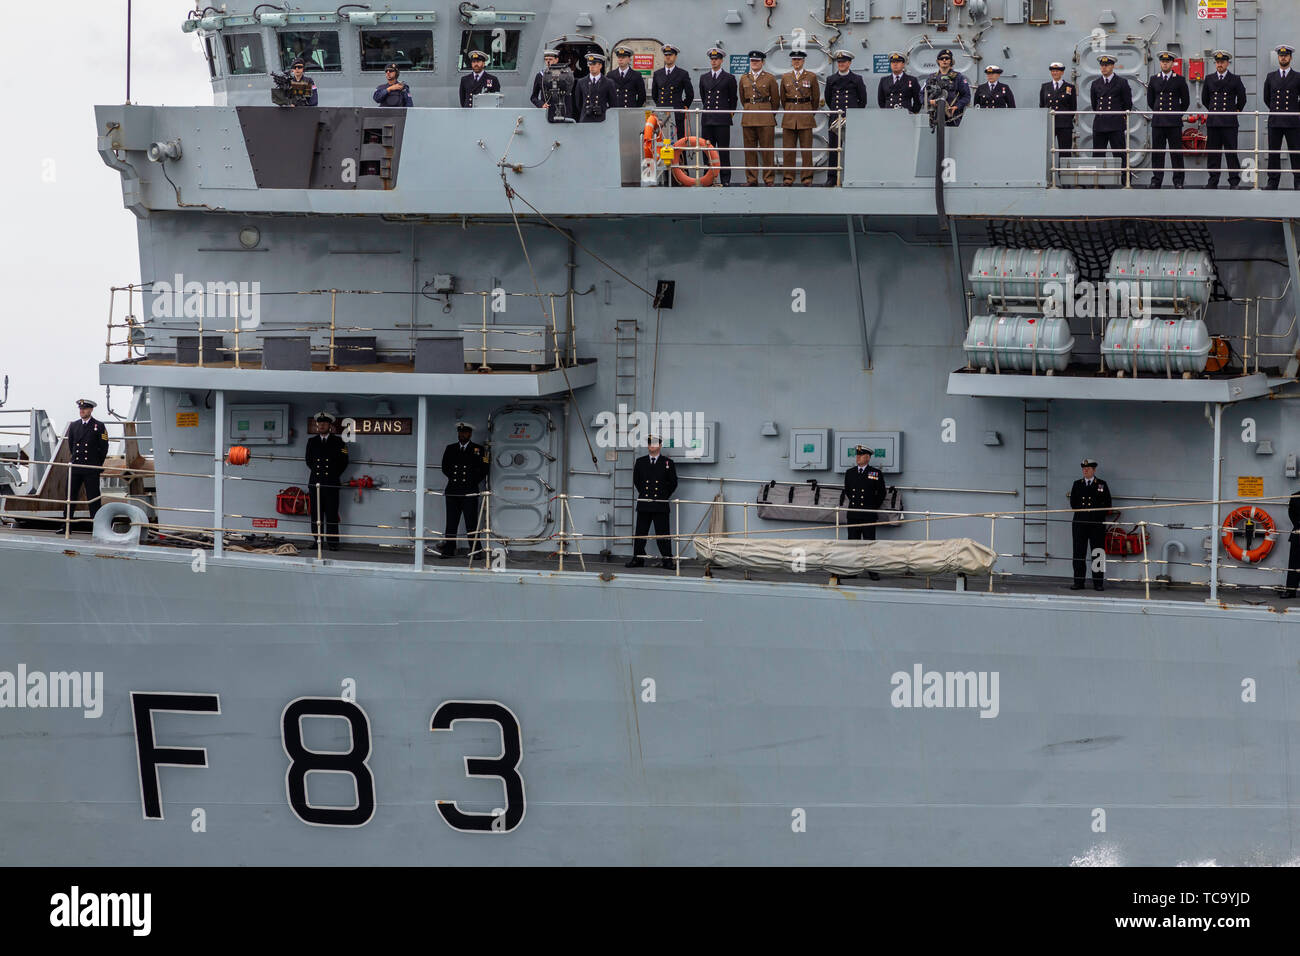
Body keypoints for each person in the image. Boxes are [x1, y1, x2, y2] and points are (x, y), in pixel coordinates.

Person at [626, 435, 677, 568]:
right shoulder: (640, 461)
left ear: (660, 445)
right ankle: (638, 559)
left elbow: (673, 483)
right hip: (644, 503)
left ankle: (667, 560)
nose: (651, 446)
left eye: (654, 443)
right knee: (640, 533)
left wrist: (663, 496)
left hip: (660, 503)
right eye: (649, 443)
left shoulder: (668, 463)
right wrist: (645, 494)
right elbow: (637, 481)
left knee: (663, 534)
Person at [440, 422, 488, 559]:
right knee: (451, 522)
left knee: (471, 522)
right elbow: (445, 467)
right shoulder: (451, 448)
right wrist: (457, 479)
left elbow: (484, 469)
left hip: (469, 491)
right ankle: (449, 550)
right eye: (460, 433)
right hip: (453, 490)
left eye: (465, 432)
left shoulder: (478, 449)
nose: (462, 435)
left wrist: (469, 481)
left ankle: (476, 551)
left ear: (470, 434)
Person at [840, 445, 887, 581]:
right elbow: (848, 491)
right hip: (854, 514)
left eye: (860, 456)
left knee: (869, 543)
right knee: (852, 543)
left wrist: (872, 507)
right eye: (857, 455)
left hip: (868, 514)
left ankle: (872, 570)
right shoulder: (850, 472)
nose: (858, 458)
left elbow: (881, 493)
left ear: (867, 457)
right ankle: (852, 571)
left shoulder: (875, 473)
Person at [1201, 51, 1247, 190]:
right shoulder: (1209, 78)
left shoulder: (1235, 79)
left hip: (1229, 122)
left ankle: (1234, 181)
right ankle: (1213, 180)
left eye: (1222, 62)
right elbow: (1205, 99)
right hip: (1214, 121)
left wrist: (1236, 110)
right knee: (1213, 153)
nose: (1220, 64)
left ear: (1227, 63)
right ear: (1215, 63)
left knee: (1231, 153)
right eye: (1217, 62)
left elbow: (1242, 98)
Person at [305, 411, 349, 551]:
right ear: (317, 425)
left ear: (330, 425)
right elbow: (309, 461)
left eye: (325, 423)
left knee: (331, 513)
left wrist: (331, 475)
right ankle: (317, 540)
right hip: (315, 482)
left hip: (331, 483)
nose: (322, 425)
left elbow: (344, 462)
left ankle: (333, 542)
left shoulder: (339, 442)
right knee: (316, 514)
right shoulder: (312, 441)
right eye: (320, 423)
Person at [824, 50, 867, 187]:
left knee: (852, 148)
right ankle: (831, 178)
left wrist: (853, 114)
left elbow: (863, 100)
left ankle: (853, 176)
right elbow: (828, 98)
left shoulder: (857, 79)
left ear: (849, 63)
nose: (841, 64)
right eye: (839, 62)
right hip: (835, 118)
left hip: (851, 118)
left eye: (844, 62)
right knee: (833, 148)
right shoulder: (831, 80)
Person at [1068, 458, 1112, 591]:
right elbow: (1073, 503)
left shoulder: (1101, 485)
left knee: (1098, 553)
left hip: (1096, 524)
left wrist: (1094, 512)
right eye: (1084, 469)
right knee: (1078, 553)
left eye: (1088, 469)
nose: (1085, 471)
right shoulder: (1077, 484)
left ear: (1094, 470)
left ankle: (1098, 583)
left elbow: (1107, 503)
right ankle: (1079, 582)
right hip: (1080, 523)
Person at [1147, 52, 1190, 189]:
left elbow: (1186, 101)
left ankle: (1178, 180)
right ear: (1160, 63)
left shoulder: (1179, 80)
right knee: (1157, 152)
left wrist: (1176, 114)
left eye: (1168, 61)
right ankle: (1156, 179)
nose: (1165, 63)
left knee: (1176, 152)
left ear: (1172, 63)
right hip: (1158, 121)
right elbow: (1150, 100)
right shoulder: (1154, 79)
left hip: (1173, 122)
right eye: (1163, 61)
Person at [739, 51, 781, 186]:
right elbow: (742, 98)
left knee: (767, 150)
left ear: (763, 62)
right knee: (749, 150)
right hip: (749, 116)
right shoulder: (744, 78)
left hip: (765, 117)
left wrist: (769, 114)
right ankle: (751, 179)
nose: (754, 63)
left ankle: (768, 179)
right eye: (752, 61)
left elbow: (775, 100)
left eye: (757, 61)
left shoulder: (770, 78)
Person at [64, 399, 109, 525]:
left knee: (93, 497)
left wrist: (97, 465)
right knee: (70, 496)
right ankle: (66, 525)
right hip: (76, 466)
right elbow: (71, 445)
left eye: (84, 409)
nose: (82, 411)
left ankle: (97, 525)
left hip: (91, 467)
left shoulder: (98, 426)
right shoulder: (74, 425)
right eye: (80, 409)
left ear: (91, 410)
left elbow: (104, 447)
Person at [698, 48, 738, 186]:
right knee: (707, 151)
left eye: (716, 59)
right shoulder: (704, 78)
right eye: (712, 59)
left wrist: (729, 114)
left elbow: (733, 99)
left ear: (721, 60)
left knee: (723, 150)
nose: (714, 61)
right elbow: (704, 97)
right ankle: (708, 178)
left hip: (722, 120)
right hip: (707, 119)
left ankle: (725, 179)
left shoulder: (729, 78)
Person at [780, 50, 821, 185]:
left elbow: (815, 98)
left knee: (806, 150)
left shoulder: (811, 76)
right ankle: (788, 177)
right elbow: (783, 98)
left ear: (803, 61)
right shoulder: (786, 77)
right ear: (791, 62)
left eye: (799, 60)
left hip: (805, 115)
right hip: (790, 116)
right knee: (788, 150)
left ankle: (807, 178)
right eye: (794, 60)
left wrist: (810, 112)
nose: (796, 62)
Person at [1263, 44, 1300, 190]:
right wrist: (1276, 111)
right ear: (1278, 57)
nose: (1283, 57)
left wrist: (1295, 111)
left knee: (1296, 152)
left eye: (1285, 55)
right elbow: (1267, 98)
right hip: (1275, 121)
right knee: (1273, 153)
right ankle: (1272, 182)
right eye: (1281, 55)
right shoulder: (1271, 77)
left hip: (1292, 121)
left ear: (1290, 57)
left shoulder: (1297, 77)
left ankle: (1298, 181)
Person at [1090, 55, 1132, 176]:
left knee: (1120, 154)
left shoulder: (1122, 82)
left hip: (1116, 124)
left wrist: (1119, 116)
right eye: (1102, 65)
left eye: (1106, 65)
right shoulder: (1095, 83)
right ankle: (1097, 182)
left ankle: (1125, 180)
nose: (1104, 68)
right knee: (1098, 154)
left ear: (1112, 66)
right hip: (1100, 123)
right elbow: (1094, 105)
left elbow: (1127, 104)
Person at [651, 45, 694, 138]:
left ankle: (681, 153)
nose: (668, 57)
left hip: (677, 112)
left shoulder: (682, 74)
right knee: (661, 139)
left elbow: (690, 94)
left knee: (679, 139)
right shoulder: (657, 74)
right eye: (666, 55)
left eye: (670, 55)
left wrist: (683, 106)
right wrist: (660, 106)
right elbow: (654, 94)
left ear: (675, 56)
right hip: (661, 112)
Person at [1040, 62, 1077, 165]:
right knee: (1046, 151)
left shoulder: (1069, 87)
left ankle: (1064, 178)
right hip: (1049, 124)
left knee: (1064, 152)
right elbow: (1042, 105)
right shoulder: (1045, 87)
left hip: (1064, 125)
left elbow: (1073, 107)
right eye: (1053, 71)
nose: (1054, 72)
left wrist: (1066, 119)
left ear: (1062, 72)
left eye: (1057, 71)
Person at [925, 49, 971, 127]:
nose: (944, 60)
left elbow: (966, 96)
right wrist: (930, 101)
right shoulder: (931, 77)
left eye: (947, 58)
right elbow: (922, 94)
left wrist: (957, 107)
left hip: (953, 117)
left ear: (951, 61)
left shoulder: (958, 77)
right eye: (941, 58)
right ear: (938, 61)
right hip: (935, 116)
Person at [573, 53, 615, 123]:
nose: (591, 67)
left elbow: (613, 104)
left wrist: (602, 109)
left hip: (602, 119)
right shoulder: (581, 82)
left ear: (600, 65)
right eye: (590, 64)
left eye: (594, 64)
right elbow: (578, 103)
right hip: (586, 119)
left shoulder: (608, 82)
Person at [1283, 488, 1300, 598]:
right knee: (1294, 563)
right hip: (1298, 533)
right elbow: (1291, 514)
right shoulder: (1295, 496)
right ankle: (1290, 590)